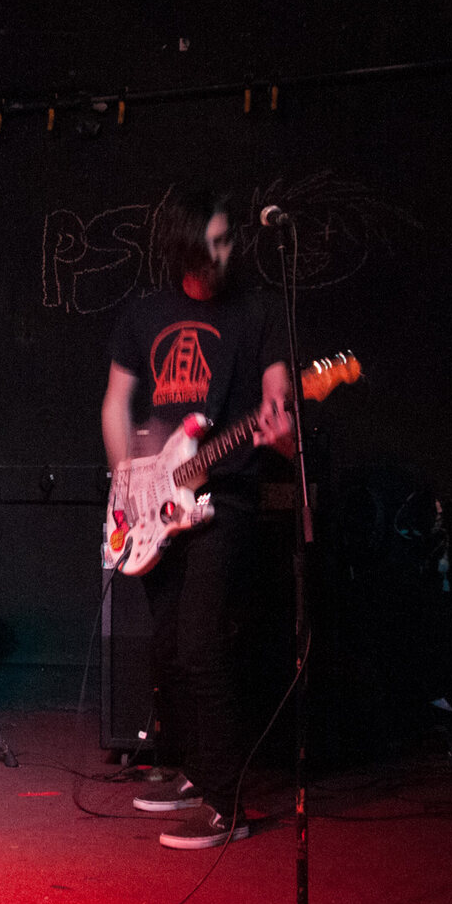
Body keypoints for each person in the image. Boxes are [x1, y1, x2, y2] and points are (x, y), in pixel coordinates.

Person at [100, 187, 294, 850]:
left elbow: (280, 406)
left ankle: (231, 803)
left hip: (224, 499)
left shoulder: (258, 310)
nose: (225, 250)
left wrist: (280, 429)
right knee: (167, 649)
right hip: (156, 502)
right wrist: (128, 485)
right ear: (184, 247)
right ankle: (194, 770)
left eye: (227, 237)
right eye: (212, 241)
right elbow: (116, 403)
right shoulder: (146, 314)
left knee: (202, 647)